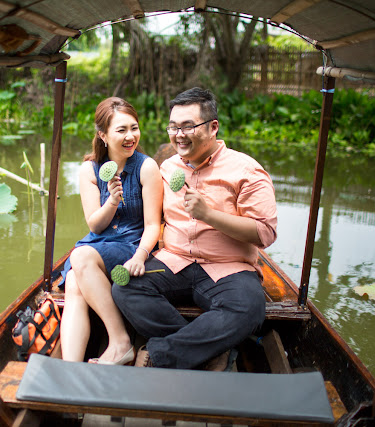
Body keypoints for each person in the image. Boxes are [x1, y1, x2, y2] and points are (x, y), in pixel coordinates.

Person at [112, 87, 278, 369]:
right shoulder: (167, 168)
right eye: (173, 127)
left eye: (188, 126)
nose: (179, 134)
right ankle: (211, 351)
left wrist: (208, 215)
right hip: (174, 262)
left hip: (228, 268)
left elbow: (265, 233)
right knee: (124, 287)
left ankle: (162, 354)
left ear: (213, 127)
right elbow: (148, 218)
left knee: (249, 307)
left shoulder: (246, 170)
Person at [59, 97, 163, 365]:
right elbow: (94, 225)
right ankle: (71, 367)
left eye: (134, 128)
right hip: (98, 244)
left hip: (133, 246)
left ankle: (119, 342)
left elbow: (153, 225)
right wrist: (113, 201)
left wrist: (140, 256)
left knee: (80, 257)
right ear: (103, 135)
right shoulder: (89, 169)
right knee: (73, 281)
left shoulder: (146, 167)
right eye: (121, 130)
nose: (130, 136)